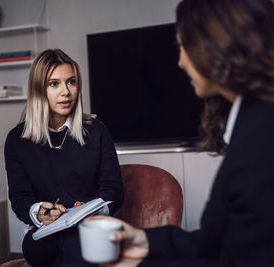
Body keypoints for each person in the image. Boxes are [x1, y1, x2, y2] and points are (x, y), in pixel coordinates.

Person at [89, 0, 274, 266]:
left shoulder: (262, 138)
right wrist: (144, 240)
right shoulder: (252, 121)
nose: (180, 61)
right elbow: (219, 241)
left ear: (214, 44)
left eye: (183, 46)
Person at [4, 48, 124, 266]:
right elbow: (20, 197)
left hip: (90, 229)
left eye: (71, 82)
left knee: (77, 245)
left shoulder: (97, 131)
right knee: (59, 247)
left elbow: (114, 190)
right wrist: (40, 213)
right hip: (45, 237)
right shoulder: (17, 140)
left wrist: (90, 208)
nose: (66, 92)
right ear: (39, 89)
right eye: (54, 84)